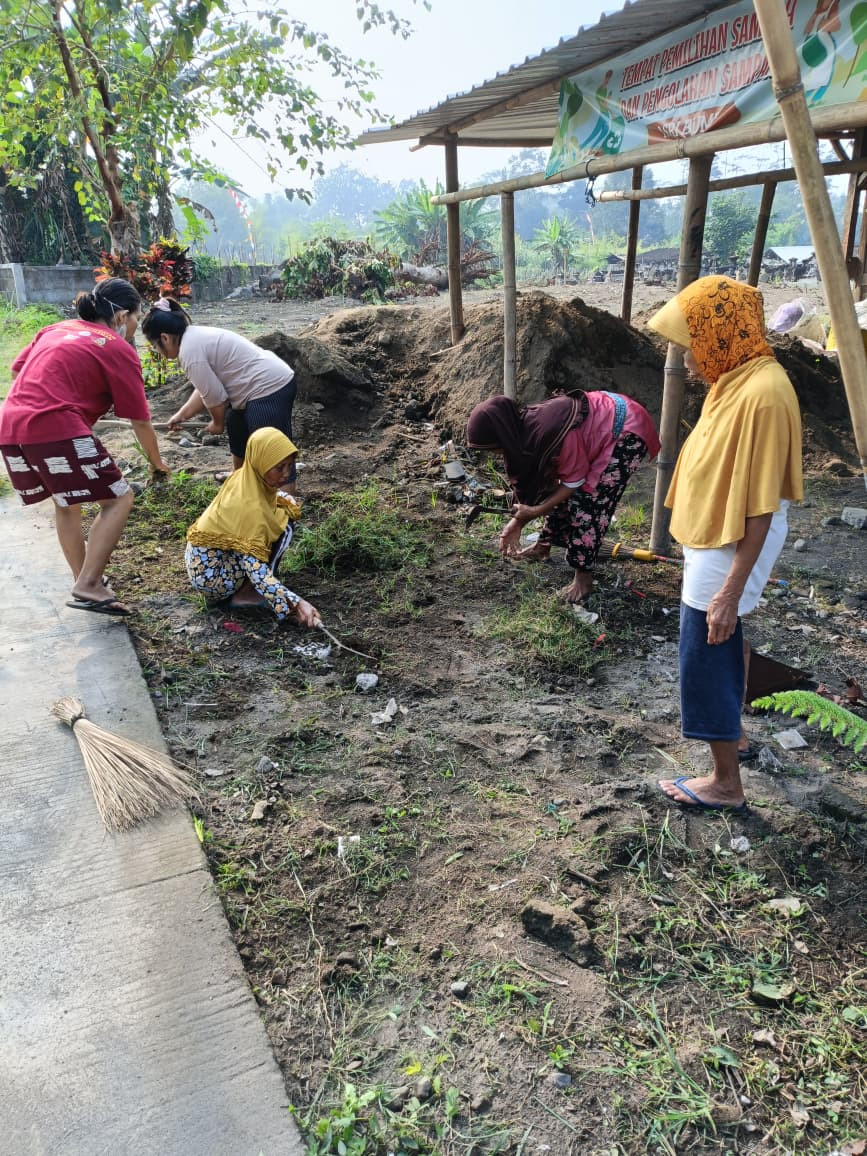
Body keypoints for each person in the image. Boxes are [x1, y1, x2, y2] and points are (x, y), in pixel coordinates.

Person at [648, 275, 803, 811]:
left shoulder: (762, 395)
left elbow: (760, 506)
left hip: (736, 537)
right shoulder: (738, 379)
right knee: (723, 636)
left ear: (721, 333)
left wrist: (729, 591)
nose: (687, 360)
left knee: (706, 644)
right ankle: (732, 736)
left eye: (692, 345)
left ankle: (725, 783)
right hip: (721, 532)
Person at [0, 277, 171, 616]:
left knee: (66, 503)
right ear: (122, 316)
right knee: (120, 497)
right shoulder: (116, 346)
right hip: (55, 426)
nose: (136, 326)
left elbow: (18, 368)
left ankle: (86, 581)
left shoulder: (56, 329)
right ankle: (89, 583)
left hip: (10, 424)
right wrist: (157, 463)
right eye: (137, 318)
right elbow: (140, 421)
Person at [466, 390, 660, 602]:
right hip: (603, 422)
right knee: (559, 492)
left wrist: (536, 511)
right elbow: (550, 485)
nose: (495, 453)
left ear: (502, 435)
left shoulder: (551, 431)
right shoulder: (525, 432)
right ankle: (543, 547)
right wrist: (518, 521)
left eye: (493, 448)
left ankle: (583, 580)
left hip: (624, 430)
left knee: (590, 503)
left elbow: (573, 483)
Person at [141, 298, 298, 490]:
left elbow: (215, 397)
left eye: (156, 346)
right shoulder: (192, 338)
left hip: (269, 387)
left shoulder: (189, 351)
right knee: (236, 424)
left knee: (270, 446)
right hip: (256, 388)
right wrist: (183, 414)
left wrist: (217, 423)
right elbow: (206, 387)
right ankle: (240, 477)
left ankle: (286, 497)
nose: (158, 352)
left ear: (164, 338)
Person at [184, 426, 319, 627]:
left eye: (290, 466)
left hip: (208, 563)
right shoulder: (250, 509)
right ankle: (247, 595)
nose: (286, 474)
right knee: (283, 526)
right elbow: (255, 569)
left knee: (283, 507)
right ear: (261, 463)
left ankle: (256, 589)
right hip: (214, 579)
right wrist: (296, 604)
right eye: (279, 468)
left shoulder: (244, 478)